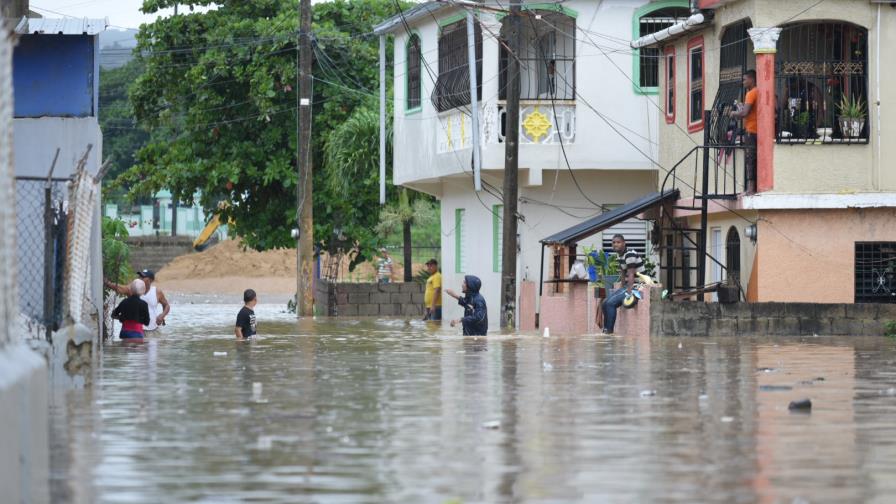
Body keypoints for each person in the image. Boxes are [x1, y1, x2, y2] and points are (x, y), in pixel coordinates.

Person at [601, 234, 644, 335]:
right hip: (628, 285)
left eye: (618, 242)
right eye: (614, 242)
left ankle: (609, 331)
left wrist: (628, 293)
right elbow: (623, 273)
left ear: (624, 243)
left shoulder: (630, 254)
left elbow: (631, 275)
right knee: (604, 303)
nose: (615, 244)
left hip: (637, 286)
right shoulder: (619, 255)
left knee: (611, 303)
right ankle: (605, 329)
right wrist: (620, 290)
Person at [105, 269, 170, 331]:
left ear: (150, 280)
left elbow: (166, 305)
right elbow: (120, 288)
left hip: (153, 329)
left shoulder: (157, 292)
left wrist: (162, 315)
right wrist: (108, 283)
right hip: (136, 330)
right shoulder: (133, 289)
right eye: (140, 276)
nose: (140, 278)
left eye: (143, 277)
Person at [729, 69, 758, 193]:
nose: (743, 82)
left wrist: (733, 113)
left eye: (745, 79)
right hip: (757, 129)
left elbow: (744, 113)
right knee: (755, 158)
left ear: (751, 79)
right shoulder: (757, 92)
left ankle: (751, 188)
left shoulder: (751, 93)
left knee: (750, 158)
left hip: (752, 130)